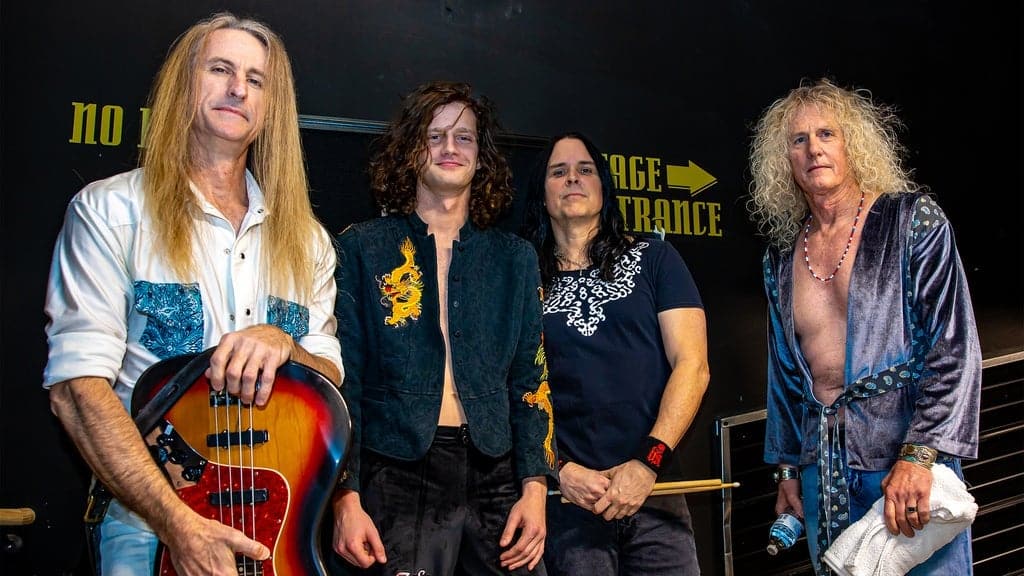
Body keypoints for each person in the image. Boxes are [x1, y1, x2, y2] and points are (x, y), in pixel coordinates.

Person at [42, 12, 343, 575]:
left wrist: (285, 344)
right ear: (184, 85)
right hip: (147, 531)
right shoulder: (111, 212)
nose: (238, 89)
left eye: (256, 79)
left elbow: (328, 374)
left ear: (271, 106)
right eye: (220, 69)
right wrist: (179, 525)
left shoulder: (308, 241)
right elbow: (77, 390)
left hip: (279, 533)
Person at [747, 77, 982, 575]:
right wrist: (788, 469)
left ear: (852, 142)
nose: (814, 149)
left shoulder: (911, 221)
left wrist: (919, 456)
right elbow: (785, 376)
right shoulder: (781, 257)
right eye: (798, 139)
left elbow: (953, 347)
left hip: (907, 460)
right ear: (784, 159)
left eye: (826, 134)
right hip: (822, 469)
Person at [330, 80, 555, 575]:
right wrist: (345, 496)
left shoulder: (514, 259)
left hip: (497, 475)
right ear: (411, 151)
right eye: (435, 136)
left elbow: (530, 379)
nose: (450, 147)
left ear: (481, 156)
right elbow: (346, 382)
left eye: (464, 137)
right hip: (394, 472)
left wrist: (535, 488)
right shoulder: (362, 248)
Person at [520, 131, 710, 575]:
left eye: (585, 170)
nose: (573, 179)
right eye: (558, 172)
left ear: (603, 186)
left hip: (655, 490)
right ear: (542, 193)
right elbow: (509, 388)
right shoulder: (521, 277)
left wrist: (647, 463)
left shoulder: (655, 258)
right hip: (569, 501)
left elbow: (693, 366)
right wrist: (558, 469)